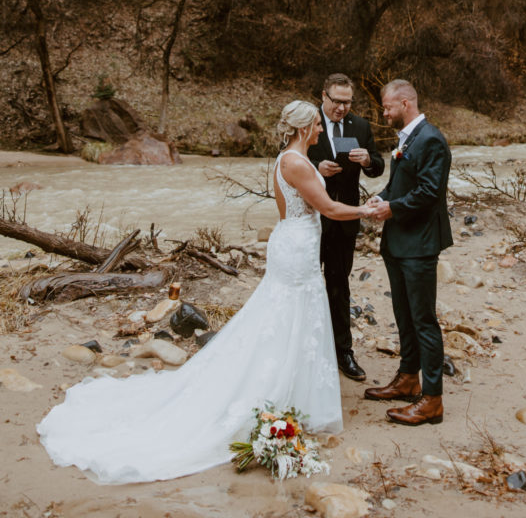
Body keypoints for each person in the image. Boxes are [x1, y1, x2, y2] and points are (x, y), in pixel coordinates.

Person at [37, 101, 375, 484]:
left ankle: (287, 390)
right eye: (316, 124)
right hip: (297, 247)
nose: (320, 129)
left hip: (290, 239)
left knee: (284, 317)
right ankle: (275, 393)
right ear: (302, 129)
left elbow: (294, 208)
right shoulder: (297, 162)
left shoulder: (287, 158)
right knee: (292, 317)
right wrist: (366, 211)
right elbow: (328, 208)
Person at [364, 79, 453, 426]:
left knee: (424, 320)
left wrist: (392, 209)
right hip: (398, 242)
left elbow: (430, 192)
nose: (384, 113)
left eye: (387, 107)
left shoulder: (432, 139)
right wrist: (381, 198)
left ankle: (432, 399)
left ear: (405, 103)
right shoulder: (407, 139)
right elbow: (401, 185)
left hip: (419, 244)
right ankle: (407, 378)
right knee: (403, 314)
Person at [307, 73, 385, 381]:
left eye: (347, 102)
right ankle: (309, 348)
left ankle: (343, 352)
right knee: (308, 284)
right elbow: (286, 162)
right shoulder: (306, 122)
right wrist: (316, 169)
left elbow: (378, 167)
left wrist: (368, 160)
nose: (341, 108)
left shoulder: (361, 126)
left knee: (339, 285)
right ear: (323, 96)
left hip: (346, 220)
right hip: (311, 219)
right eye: (336, 101)